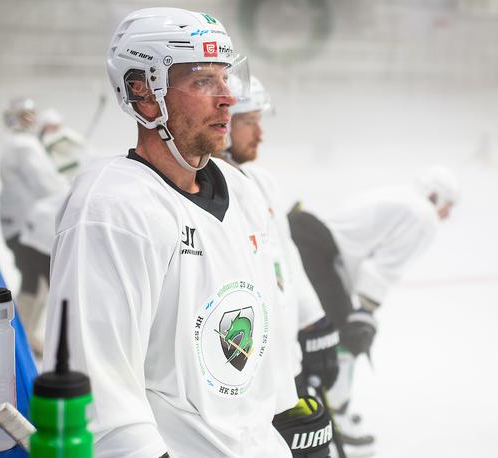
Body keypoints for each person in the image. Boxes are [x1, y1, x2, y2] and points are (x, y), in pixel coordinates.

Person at [43, 8, 330, 457]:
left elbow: (260, 331)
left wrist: (285, 412)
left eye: (225, 77)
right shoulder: (113, 208)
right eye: (202, 82)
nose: (228, 99)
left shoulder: (242, 189)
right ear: (144, 93)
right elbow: (101, 389)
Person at [288, 166, 460, 455]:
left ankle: (324, 405)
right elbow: (381, 269)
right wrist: (363, 315)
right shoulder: (423, 214)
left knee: (322, 331)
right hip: (319, 251)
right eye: (448, 206)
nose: (447, 215)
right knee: (344, 338)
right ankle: (334, 415)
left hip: (306, 237)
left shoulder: (401, 196)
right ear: (435, 195)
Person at [215, 75, 340, 398]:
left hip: (286, 364)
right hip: (244, 371)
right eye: (250, 122)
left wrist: (313, 321)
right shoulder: (206, 191)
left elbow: (286, 259)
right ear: (224, 123)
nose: (260, 134)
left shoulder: (262, 182)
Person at [0, 97, 67, 352]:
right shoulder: (24, 146)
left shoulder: (16, 144)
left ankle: (23, 336)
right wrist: (74, 187)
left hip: (19, 226)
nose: (31, 120)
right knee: (38, 283)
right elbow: (46, 184)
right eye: (25, 115)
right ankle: (18, 340)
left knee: (35, 282)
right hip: (27, 229)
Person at [38, 108, 90, 181]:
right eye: (50, 125)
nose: (54, 127)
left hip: (70, 167)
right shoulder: (41, 138)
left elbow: (81, 142)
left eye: (56, 125)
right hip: (54, 170)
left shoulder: (65, 133)